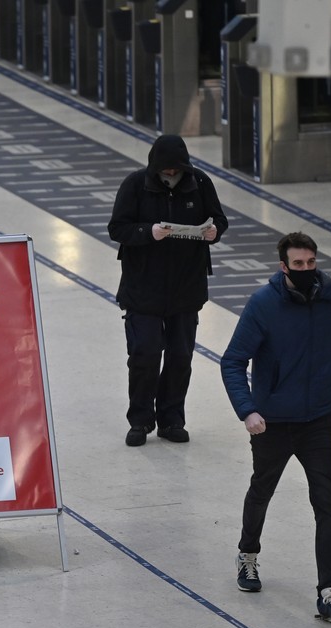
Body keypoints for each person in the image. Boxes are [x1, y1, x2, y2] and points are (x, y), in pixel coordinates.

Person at [220, 232, 331, 624]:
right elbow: (232, 361)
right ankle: (248, 555)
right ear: (284, 266)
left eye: (311, 263)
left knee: (325, 503)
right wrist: (247, 410)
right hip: (274, 422)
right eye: (298, 264)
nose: (306, 270)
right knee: (262, 489)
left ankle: (328, 592)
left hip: (316, 419)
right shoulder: (264, 304)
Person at [108, 134, 228, 446]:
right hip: (142, 288)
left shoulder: (199, 183)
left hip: (186, 289)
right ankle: (140, 421)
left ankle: (172, 419)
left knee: (180, 356)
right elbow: (117, 228)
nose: (171, 176)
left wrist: (214, 231)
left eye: (177, 171)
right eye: (166, 171)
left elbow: (219, 220)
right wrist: (148, 232)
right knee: (145, 353)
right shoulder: (135, 185)